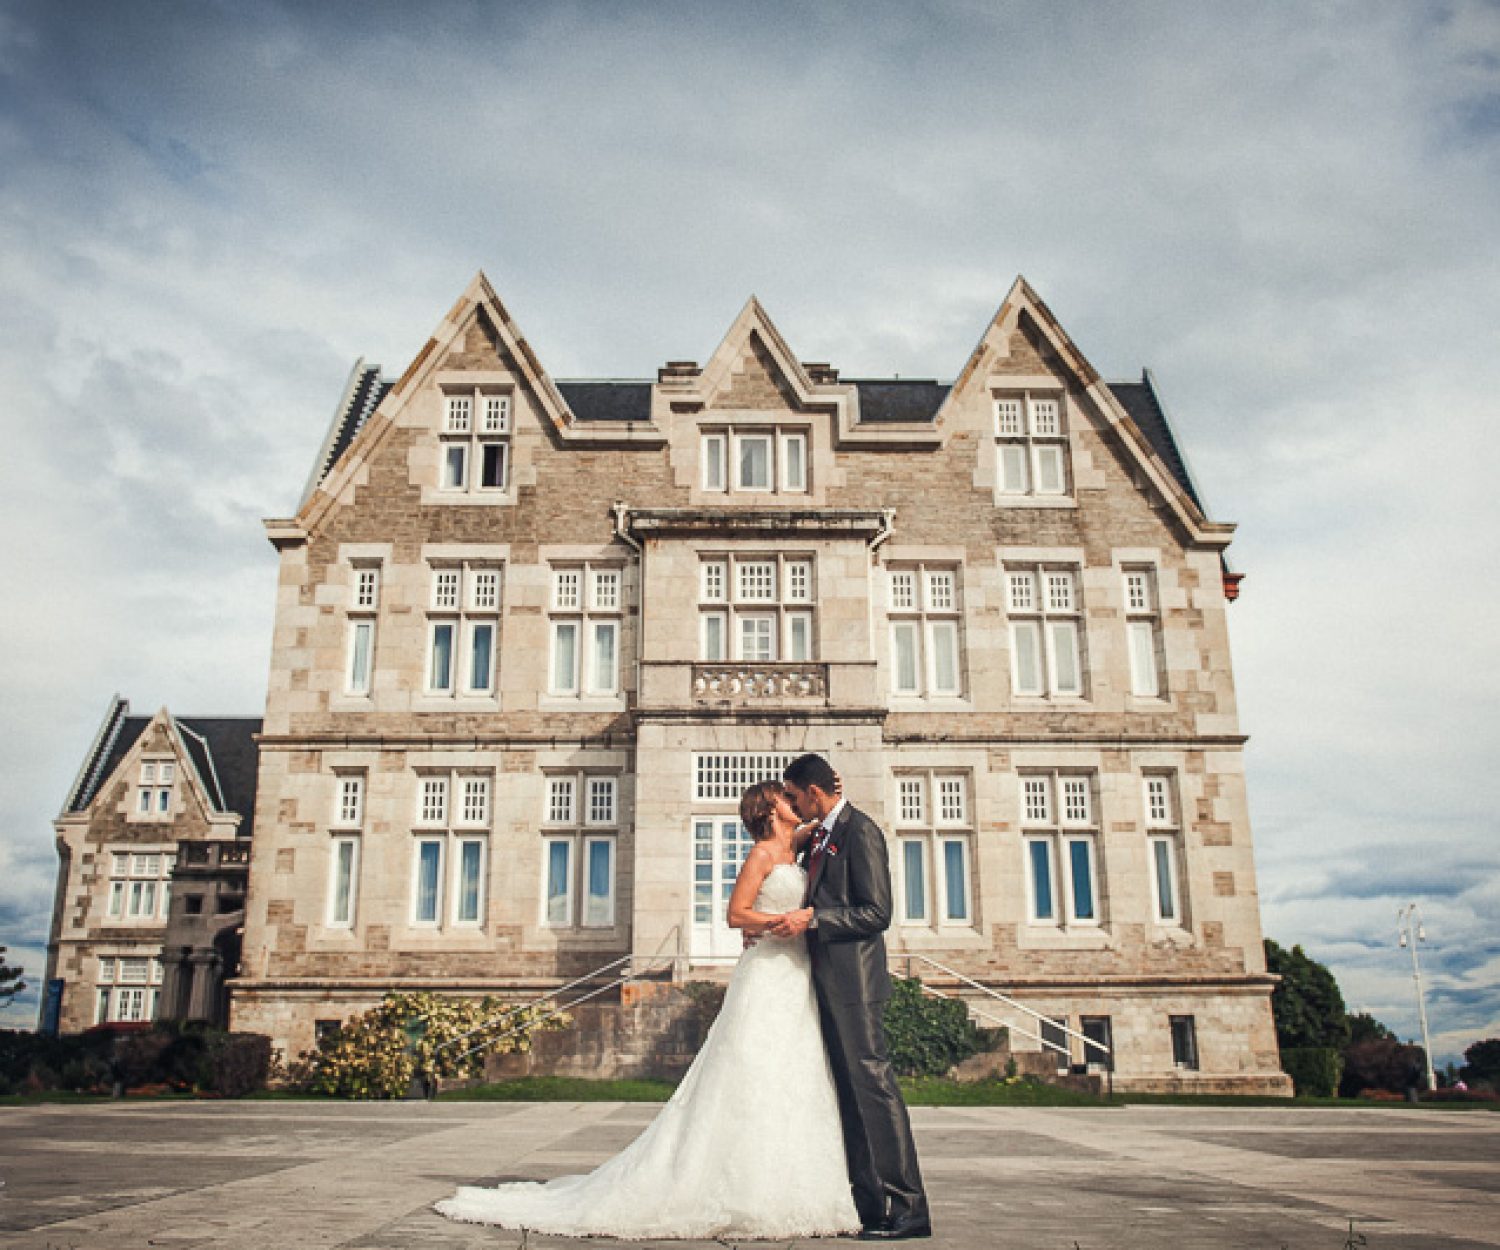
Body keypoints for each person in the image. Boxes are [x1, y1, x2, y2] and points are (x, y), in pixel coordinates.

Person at [436, 780, 859, 1240]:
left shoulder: (793, 845)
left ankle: (787, 1181)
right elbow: (735, 915)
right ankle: (734, 1182)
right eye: (785, 796)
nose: (795, 801)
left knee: (792, 1074)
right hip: (766, 973)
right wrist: (782, 921)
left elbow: (828, 815)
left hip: (794, 975)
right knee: (749, 1071)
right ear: (770, 808)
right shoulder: (761, 854)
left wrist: (831, 787)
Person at [772, 752, 932, 1241]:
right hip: (826, 983)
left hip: (857, 986)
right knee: (849, 1097)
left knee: (875, 1088)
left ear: (814, 792)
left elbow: (876, 912)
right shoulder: (818, 836)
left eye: (797, 797)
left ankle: (910, 1206)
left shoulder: (860, 830)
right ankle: (870, 1207)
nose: (795, 807)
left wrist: (814, 919)